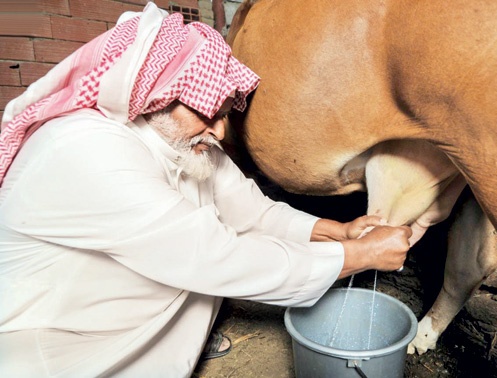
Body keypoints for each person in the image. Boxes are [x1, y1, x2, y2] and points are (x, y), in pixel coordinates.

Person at [0, 3, 412, 377]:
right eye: (206, 111)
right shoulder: (85, 149)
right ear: (156, 94)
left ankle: (183, 338)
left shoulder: (182, 141)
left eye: (224, 112)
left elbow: (255, 213)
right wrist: (359, 256)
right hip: (68, 344)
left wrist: (336, 231)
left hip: (142, 311)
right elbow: (217, 256)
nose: (219, 130)